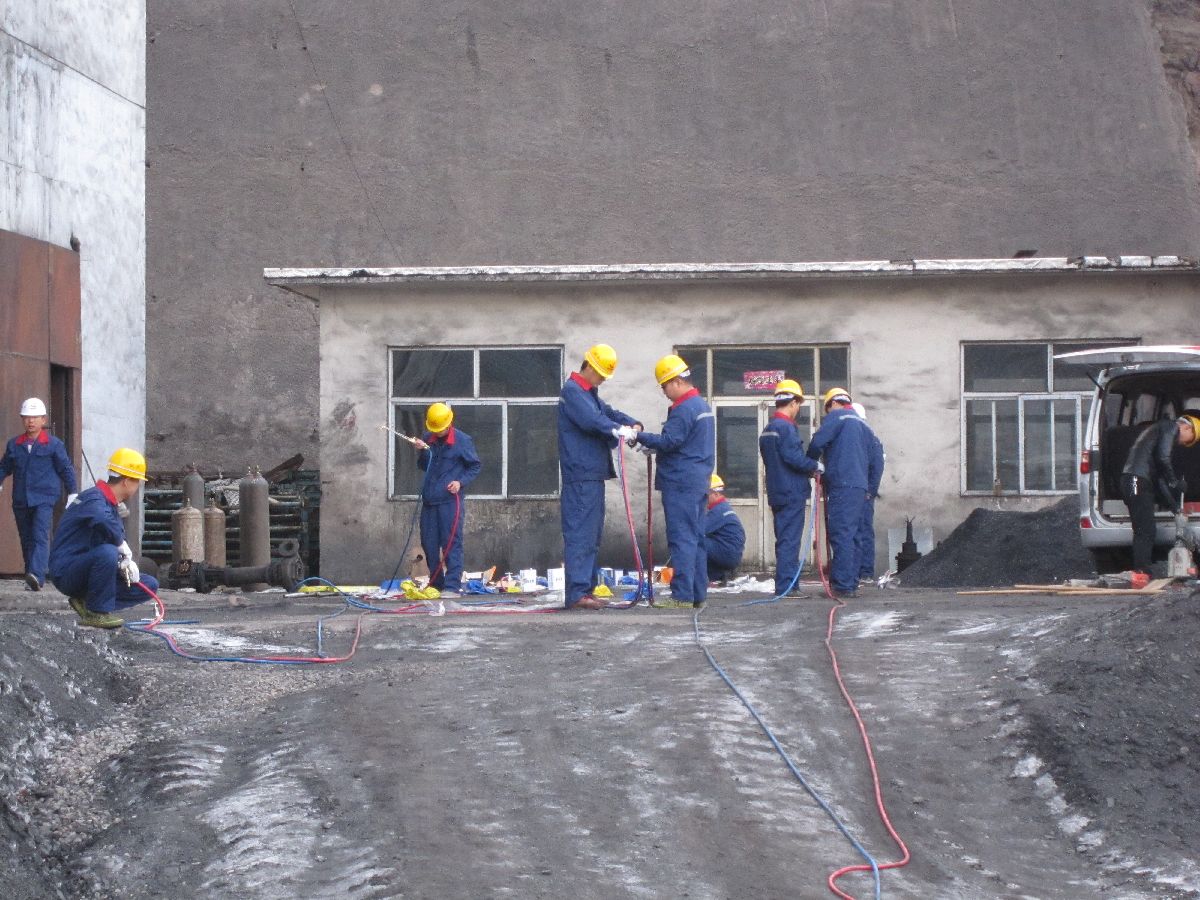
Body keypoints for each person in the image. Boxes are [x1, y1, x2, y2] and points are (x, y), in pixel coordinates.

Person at [557, 344, 642, 610]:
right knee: (581, 535)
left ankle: (586, 589)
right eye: (602, 375)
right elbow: (592, 421)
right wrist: (618, 430)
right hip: (581, 475)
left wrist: (631, 423)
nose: (603, 380)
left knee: (591, 536)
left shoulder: (588, 393)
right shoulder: (573, 392)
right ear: (591, 368)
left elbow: (608, 413)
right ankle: (577, 593)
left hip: (591, 475)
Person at [634, 354, 715, 607]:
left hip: (680, 483)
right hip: (697, 481)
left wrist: (640, 436)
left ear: (676, 381)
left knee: (682, 539)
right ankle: (697, 595)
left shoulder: (684, 408)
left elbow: (670, 441)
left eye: (664, 386)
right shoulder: (701, 406)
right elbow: (683, 443)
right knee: (696, 539)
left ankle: (682, 596)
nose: (664, 392)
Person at [49, 448, 158, 629]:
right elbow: (100, 519)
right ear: (126, 482)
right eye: (137, 481)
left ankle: (87, 602)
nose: (138, 486)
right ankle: (96, 613)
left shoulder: (110, 506)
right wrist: (121, 544)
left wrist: (123, 565)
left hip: (89, 570)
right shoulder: (93, 498)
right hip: (67, 571)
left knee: (149, 584)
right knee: (108, 552)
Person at [0, 397, 78, 591]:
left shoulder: (53, 445)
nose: (31, 421)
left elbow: (65, 469)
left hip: (44, 499)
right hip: (21, 500)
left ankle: (37, 574)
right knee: (26, 537)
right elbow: (4, 467)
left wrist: (73, 492)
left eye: (35, 417)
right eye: (27, 417)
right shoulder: (14, 445)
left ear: (43, 420)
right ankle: (32, 576)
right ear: (22, 419)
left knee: (39, 535)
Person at [807, 388, 873, 599]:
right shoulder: (862, 424)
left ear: (832, 404)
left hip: (842, 485)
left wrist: (811, 464)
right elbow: (875, 456)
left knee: (841, 534)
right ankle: (851, 583)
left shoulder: (837, 417)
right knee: (854, 535)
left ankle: (842, 585)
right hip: (859, 486)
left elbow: (817, 443)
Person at [759, 379, 820, 595]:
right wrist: (815, 466)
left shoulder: (768, 429)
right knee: (790, 541)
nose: (798, 409)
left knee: (784, 539)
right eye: (798, 404)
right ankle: (786, 587)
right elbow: (793, 458)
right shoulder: (785, 427)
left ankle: (789, 585)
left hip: (777, 492)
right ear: (793, 402)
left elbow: (777, 460)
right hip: (791, 492)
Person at [413, 402, 481, 597]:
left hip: (450, 502)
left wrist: (460, 482)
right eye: (434, 429)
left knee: (451, 544)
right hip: (429, 501)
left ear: (448, 423)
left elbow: (475, 466)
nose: (437, 432)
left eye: (440, 429)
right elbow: (423, 466)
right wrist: (423, 450)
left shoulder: (462, 441)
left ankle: (452, 586)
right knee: (429, 544)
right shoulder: (428, 438)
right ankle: (436, 584)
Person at [1120, 413, 1198, 573]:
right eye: (1188, 440)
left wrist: (1175, 508)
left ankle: (1142, 570)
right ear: (1187, 427)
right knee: (1144, 529)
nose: (1183, 444)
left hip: (1139, 481)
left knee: (1146, 529)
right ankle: (1141, 571)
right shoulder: (1170, 426)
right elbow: (1163, 458)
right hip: (1135, 480)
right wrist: (1174, 482)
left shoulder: (1158, 436)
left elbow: (1160, 480)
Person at [850, 402, 886, 585]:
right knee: (855, 532)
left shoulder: (868, 438)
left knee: (862, 531)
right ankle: (858, 571)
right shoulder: (863, 436)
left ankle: (864, 572)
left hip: (862, 493)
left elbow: (877, 466)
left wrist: (870, 491)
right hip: (857, 491)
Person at [704, 473, 745, 584]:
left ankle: (699, 577)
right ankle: (717, 575)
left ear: (716, 494)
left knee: (697, 542)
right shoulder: (722, 507)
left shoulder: (718, 511)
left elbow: (699, 530)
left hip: (728, 553)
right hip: (729, 552)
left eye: (706, 495)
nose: (704, 499)